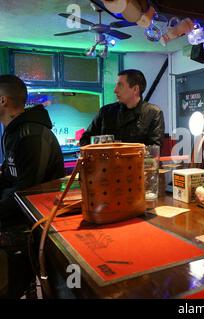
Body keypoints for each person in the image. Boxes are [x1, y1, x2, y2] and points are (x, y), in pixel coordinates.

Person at [0, 74, 65, 298]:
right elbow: (10, 176)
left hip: (35, 228)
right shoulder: (14, 132)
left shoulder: (31, 135)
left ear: (3, 101)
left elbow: (29, 192)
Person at [80, 69, 165, 147]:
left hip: (137, 163)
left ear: (135, 89)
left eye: (120, 85)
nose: (115, 90)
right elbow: (85, 140)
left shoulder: (153, 113)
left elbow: (154, 149)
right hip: (106, 163)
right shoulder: (105, 112)